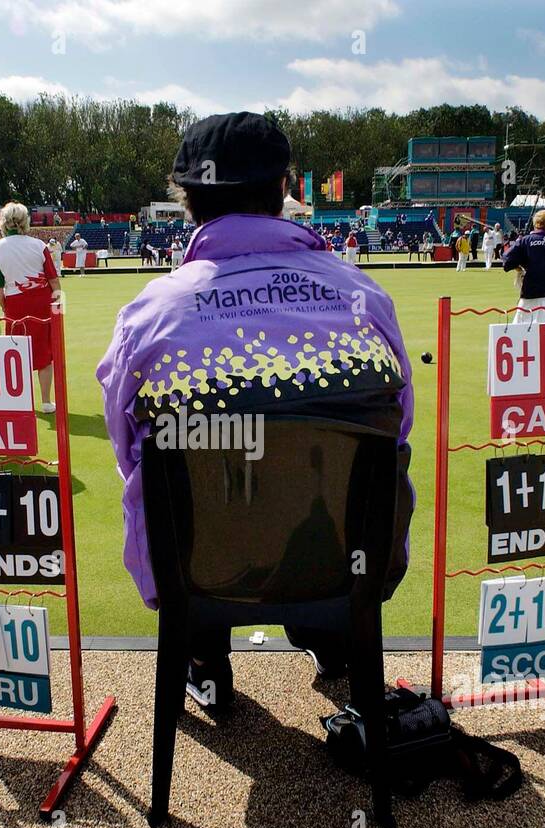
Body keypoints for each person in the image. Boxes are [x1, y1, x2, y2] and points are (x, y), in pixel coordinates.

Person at [97, 111, 414, 713]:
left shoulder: (151, 312)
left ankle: (203, 661)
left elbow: (127, 448)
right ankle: (330, 635)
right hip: (342, 564)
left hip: (201, 568)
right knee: (330, 478)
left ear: (187, 199)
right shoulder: (364, 297)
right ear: (285, 188)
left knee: (183, 491)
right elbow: (397, 431)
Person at [0, 202, 62, 414]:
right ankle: (46, 401)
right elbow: (54, 281)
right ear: (25, 220)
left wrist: (6, 307)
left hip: (15, 303)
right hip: (42, 303)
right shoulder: (38, 245)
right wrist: (59, 307)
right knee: (44, 354)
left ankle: (21, 401)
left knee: (17, 352)